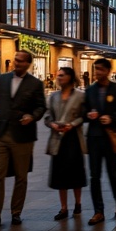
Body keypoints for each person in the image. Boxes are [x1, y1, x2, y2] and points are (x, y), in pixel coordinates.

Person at [0, 50, 47, 231]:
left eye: (21, 61)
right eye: (16, 60)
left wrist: (32, 116)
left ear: (28, 64)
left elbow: (41, 106)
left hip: (23, 136)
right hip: (1, 134)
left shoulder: (35, 84)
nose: (16, 63)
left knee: (21, 176)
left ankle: (16, 212)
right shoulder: (2, 80)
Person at [84, 58, 116, 224]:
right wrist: (88, 115)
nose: (98, 73)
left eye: (101, 70)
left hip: (111, 137)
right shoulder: (90, 90)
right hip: (94, 137)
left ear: (108, 71)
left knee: (113, 173)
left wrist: (111, 117)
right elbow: (83, 112)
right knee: (94, 176)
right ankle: (98, 211)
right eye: (96, 69)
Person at [44, 67, 86, 219]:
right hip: (57, 139)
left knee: (76, 172)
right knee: (59, 173)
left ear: (69, 77)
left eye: (62, 75)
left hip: (73, 137)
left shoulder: (80, 96)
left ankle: (78, 203)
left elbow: (84, 116)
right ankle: (63, 208)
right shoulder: (53, 96)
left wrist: (72, 124)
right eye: (58, 76)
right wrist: (53, 124)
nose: (59, 78)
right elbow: (47, 117)